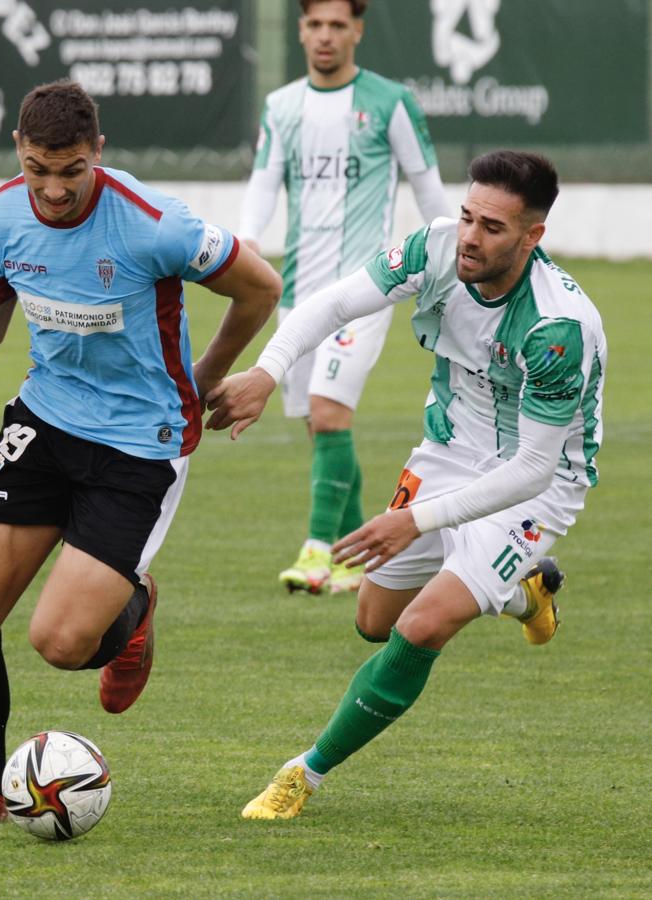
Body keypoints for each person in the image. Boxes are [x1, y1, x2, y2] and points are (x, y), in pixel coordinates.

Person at [0, 81, 281, 827]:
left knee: (63, 643)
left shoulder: (154, 224)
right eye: (39, 169)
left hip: (140, 441)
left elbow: (260, 289)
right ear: (19, 153)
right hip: (45, 416)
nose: (55, 188)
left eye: (71, 171)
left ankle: (134, 611)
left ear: (98, 153)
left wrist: (207, 379)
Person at [206, 150, 606, 819]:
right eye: (468, 216)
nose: (471, 237)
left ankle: (304, 773)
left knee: (421, 627)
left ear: (532, 237)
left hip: (534, 485)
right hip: (450, 452)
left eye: (493, 228)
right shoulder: (436, 249)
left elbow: (532, 469)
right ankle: (522, 592)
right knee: (373, 620)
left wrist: (414, 521)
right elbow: (332, 303)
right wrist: (267, 372)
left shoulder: (557, 329)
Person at [238, 0, 451, 597]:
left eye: (337, 25)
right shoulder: (282, 107)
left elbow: (430, 191)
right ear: (301, 31)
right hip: (300, 291)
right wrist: (249, 238)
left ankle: (317, 554)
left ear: (357, 30)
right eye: (314, 25)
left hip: (367, 288)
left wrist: (458, 265)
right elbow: (262, 183)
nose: (325, 36)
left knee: (330, 411)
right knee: (319, 427)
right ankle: (364, 560)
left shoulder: (391, 102)